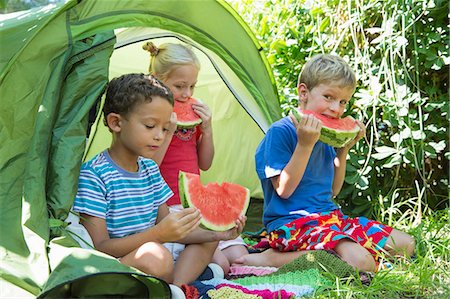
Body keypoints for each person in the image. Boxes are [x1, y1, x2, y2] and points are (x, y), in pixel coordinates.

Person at [235, 54, 415, 272]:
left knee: (405, 245)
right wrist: (305, 145)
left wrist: (343, 150)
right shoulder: (280, 132)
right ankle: (270, 259)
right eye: (328, 97)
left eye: (343, 102)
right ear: (303, 92)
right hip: (291, 224)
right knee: (362, 264)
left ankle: (327, 254)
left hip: (330, 218)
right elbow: (284, 190)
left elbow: (333, 191)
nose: (336, 109)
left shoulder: (327, 135)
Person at [72, 73, 246, 289]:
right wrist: (157, 234)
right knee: (156, 255)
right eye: (150, 126)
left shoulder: (150, 169)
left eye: (165, 128)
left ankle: (177, 288)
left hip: (157, 253)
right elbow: (101, 247)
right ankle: (181, 282)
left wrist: (220, 234)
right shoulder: (94, 175)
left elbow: (169, 227)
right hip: (118, 265)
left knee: (206, 241)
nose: (159, 136)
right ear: (116, 123)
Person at [142, 41, 249, 274]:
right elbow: (149, 166)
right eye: (179, 86)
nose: (187, 94)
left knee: (240, 256)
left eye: (192, 86)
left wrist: (208, 129)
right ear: (156, 79)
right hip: (167, 205)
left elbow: (205, 163)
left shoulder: (193, 112)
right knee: (220, 262)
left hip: (195, 203)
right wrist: (168, 129)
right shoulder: (151, 120)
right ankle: (193, 274)